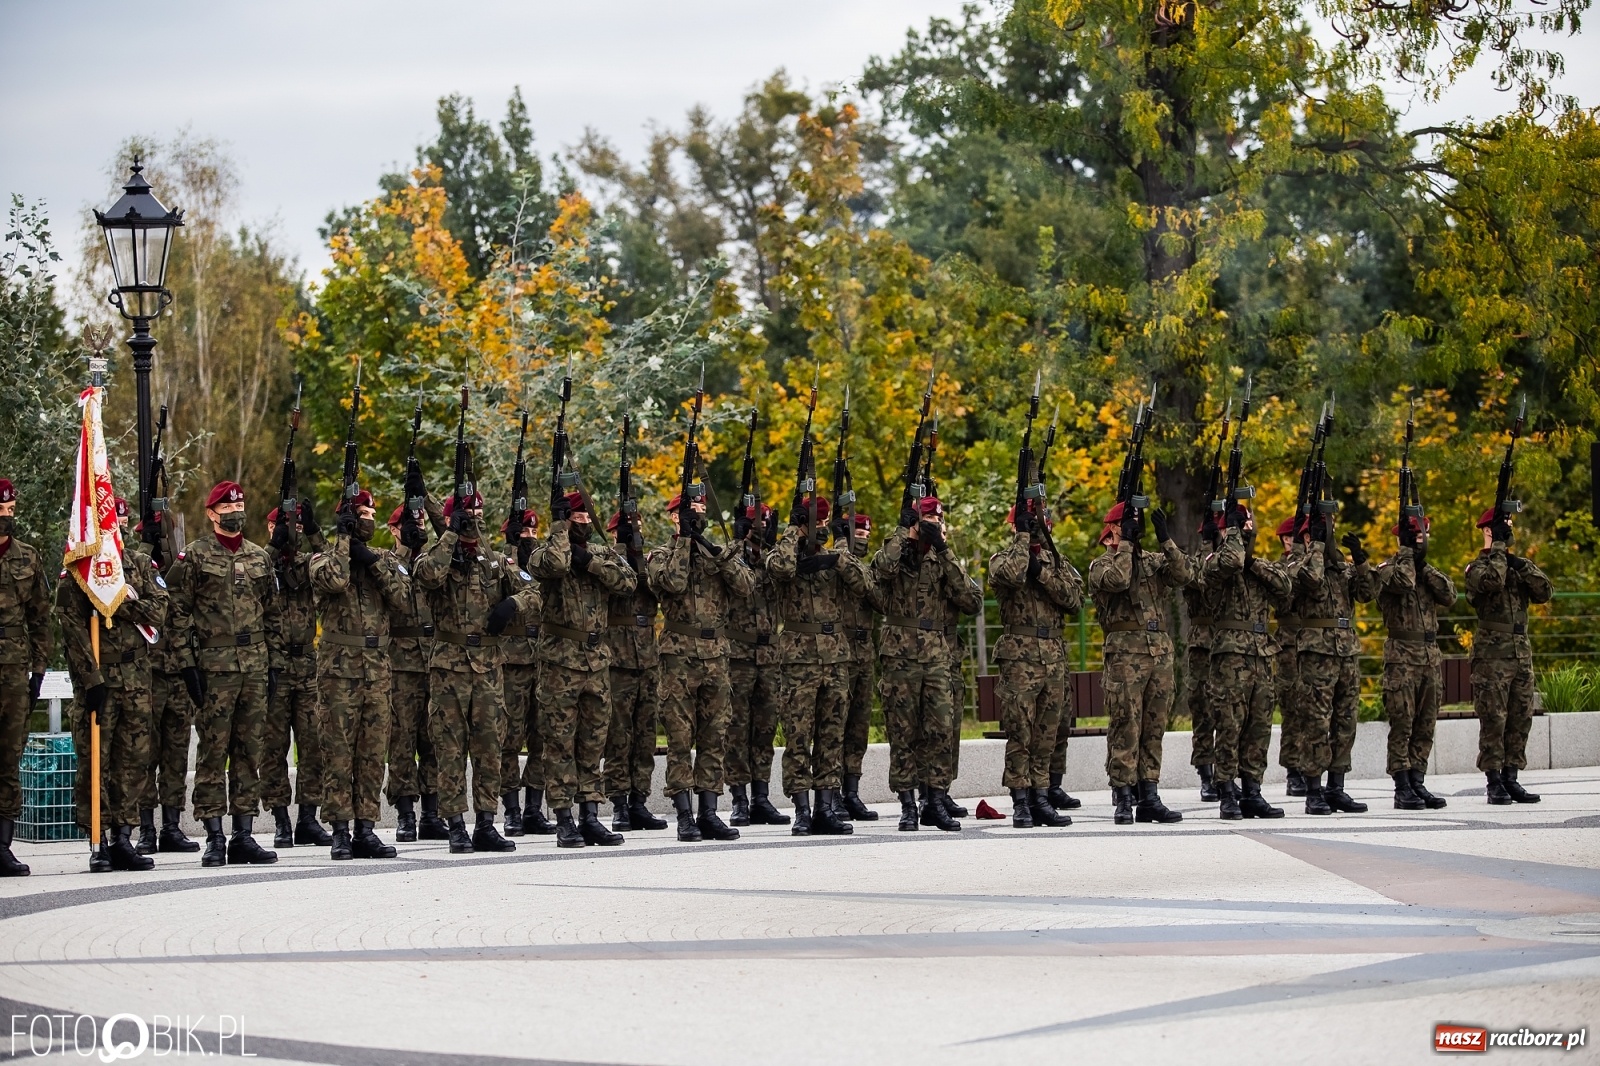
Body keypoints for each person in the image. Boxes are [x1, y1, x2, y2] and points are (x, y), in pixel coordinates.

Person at [165, 481, 285, 867]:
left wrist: (274, 665)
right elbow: (176, 614)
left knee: (250, 752)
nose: (237, 512)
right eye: (228, 507)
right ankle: (214, 836)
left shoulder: (259, 558)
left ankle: (244, 834)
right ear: (212, 513)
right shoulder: (194, 558)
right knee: (213, 753)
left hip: (254, 665)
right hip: (213, 668)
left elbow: (273, 614)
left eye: (242, 505)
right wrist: (186, 664)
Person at [412, 490, 528, 853]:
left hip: (489, 668)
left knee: (489, 747)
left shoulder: (492, 560)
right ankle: (456, 824)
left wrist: (513, 603)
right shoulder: (438, 555)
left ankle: (486, 822)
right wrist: (450, 534)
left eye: (479, 511)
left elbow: (535, 589)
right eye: (468, 513)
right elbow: (427, 575)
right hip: (450, 667)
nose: (475, 518)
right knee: (449, 748)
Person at [56, 528, 168, 872]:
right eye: (106, 521)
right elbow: (71, 626)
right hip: (98, 679)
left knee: (132, 762)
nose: (113, 527)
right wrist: (91, 680)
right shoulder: (78, 571)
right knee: (95, 762)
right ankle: (98, 840)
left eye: (118, 521)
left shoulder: (137, 564)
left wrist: (115, 600)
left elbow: (160, 609)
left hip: (135, 679)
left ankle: (123, 836)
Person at [528, 490, 636, 847]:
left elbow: (628, 583)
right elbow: (554, 566)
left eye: (588, 516)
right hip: (560, 663)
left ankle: (590, 814)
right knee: (559, 743)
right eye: (577, 516)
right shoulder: (545, 553)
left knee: (593, 742)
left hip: (596, 662)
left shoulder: (601, 553)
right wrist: (558, 530)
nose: (585, 521)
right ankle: (563, 818)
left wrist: (587, 560)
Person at [646, 492, 756, 842]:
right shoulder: (661, 556)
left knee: (715, 737)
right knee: (680, 740)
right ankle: (684, 815)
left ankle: (709, 812)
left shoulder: (716, 553)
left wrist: (709, 546)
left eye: (702, 510)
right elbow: (673, 583)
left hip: (716, 655)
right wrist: (684, 542)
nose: (698, 515)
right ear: (675, 518)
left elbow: (746, 586)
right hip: (679, 658)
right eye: (691, 512)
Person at [309, 490, 412, 859]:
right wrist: (341, 540)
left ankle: (366, 828)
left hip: (377, 669)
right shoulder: (323, 558)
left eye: (371, 513)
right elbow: (334, 582)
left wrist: (369, 560)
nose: (367, 519)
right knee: (338, 751)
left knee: (372, 752)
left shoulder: (382, 559)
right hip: (339, 671)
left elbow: (404, 599)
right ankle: (339, 829)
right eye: (360, 514)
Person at [871, 495, 981, 832]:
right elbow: (881, 570)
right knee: (903, 731)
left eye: (939, 518)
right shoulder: (896, 548)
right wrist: (905, 533)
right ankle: (907, 803)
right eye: (929, 518)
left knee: (940, 729)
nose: (936, 523)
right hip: (900, 653)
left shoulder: (942, 558)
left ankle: (935, 800)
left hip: (935, 653)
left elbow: (971, 600)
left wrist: (944, 550)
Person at [766, 496, 870, 835]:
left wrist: (838, 555)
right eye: (813, 523)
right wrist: (791, 532)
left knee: (831, 735)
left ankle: (826, 807)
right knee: (798, 736)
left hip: (836, 658)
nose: (818, 529)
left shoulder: (836, 559)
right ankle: (802, 809)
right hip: (798, 659)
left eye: (821, 523)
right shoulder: (787, 556)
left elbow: (866, 584)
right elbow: (778, 568)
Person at [1090, 502, 1191, 825]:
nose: (1132, 528)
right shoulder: (1101, 565)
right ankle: (1123, 794)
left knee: (1154, 726)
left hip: (1159, 653)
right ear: (1112, 531)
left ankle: (1149, 794)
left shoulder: (1152, 562)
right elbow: (1118, 580)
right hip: (1124, 654)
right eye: (1125, 524)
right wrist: (1127, 545)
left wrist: (1165, 540)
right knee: (1126, 724)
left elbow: (1183, 574)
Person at [988, 502, 1082, 828]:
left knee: (1046, 735)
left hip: (1053, 659)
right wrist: (1022, 543)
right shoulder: (1002, 560)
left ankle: (1042, 798)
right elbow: (1010, 577)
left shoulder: (1056, 564)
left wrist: (1041, 573)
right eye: (1028, 525)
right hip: (1020, 659)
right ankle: (1020, 802)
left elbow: (1074, 601)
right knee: (1020, 733)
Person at [1203, 504, 1291, 820]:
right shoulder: (1215, 563)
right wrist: (1232, 538)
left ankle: (1253, 791)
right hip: (1230, 656)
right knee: (1229, 725)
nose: (1246, 534)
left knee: (1259, 727)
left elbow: (1284, 587)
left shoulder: (1258, 567)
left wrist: (1253, 563)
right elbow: (1229, 562)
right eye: (1239, 529)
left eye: (1248, 529)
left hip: (1261, 655)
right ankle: (1226, 791)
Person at [1286, 514, 1376, 814]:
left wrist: (1360, 559)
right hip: (1317, 654)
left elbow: (1368, 593)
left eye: (1331, 528)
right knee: (1316, 722)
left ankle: (1336, 787)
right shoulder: (1300, 565)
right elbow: (1308, 579)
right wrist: (1315, 547)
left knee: (1346, 721)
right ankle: (1313, 789)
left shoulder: (1341, 569)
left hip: (1346, 652)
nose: (1331, 534)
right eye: (1324, 531)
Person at [1465, 508, 1552, 805]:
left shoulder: (1516, 566)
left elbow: (1544, 591)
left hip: (1520, 653)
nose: (1510, 531)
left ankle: (1512, 776)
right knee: (1494, 719)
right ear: (1489, 531)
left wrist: (1522, 565)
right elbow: (1493, 582)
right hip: (1492, 655)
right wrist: (1499, 551)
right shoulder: (1476, 567)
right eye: (1504, 528)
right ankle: (1493, 782)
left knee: (1520, 717)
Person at [260, 499, 332, 849]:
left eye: (295, 531)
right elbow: (255, 575)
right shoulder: (260, 561)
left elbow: (333, 569)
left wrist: (314, 532)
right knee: (273, 748)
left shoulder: (307, 564)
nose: (291, 537)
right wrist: (275, 548)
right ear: (270, 529)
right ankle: (280, 820)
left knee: (313, 745)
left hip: (306, 666)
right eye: (285, 530)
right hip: (273, 667)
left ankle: (308, 817)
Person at [129, 505, 200, 855]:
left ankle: (172, 825)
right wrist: (146, 550)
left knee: (176, 753)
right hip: (149, 672)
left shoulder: (183, 566)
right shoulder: (136, 566)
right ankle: (146, 828)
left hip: (180, 671)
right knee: (147, 753)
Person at [1374, 515, 1457, 810]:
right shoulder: (1388, 569)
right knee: (1403, 722)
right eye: (1417, 536)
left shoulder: (1425, 572)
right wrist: (1407, 557)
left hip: (1429, 656)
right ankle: (1402, 785)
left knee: (1426, 723)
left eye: (1425, 535)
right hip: (1401, 656)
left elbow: (1450, 595)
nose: (1423, 540)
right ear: (1402, 540)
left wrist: (1424, 565)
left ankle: (1418, 780)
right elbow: (1402, 583)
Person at [385, 502, 450, 842]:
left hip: (435, 660)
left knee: (434, 741)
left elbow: (450, 538)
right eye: (409, 524)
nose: (417, 528)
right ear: (393, 529)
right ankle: (406, 813)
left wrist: (428, 502)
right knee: (401, 741)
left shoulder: (434, 565)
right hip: (400, 664)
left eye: (422, 523)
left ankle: (432, 812)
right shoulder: (387, 563)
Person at [601, 508, 668, 832]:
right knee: (619, 736)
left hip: (648, 660)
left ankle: (639, 801)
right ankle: (618, 804)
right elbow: (619, 587)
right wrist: (623, 552)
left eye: (638, 528)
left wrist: (640, 554)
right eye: (629, 529)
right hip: (618, 661)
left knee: (644, 737)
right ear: (615, 533)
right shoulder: (608, 560)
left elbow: (655, 587)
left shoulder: (651, 559)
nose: (635, 533)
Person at [0, 479, 51, 876]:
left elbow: (40, 620)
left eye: (10, 510)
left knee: (8, 756)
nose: (6, 516)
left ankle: (2, 845)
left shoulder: (27, 558)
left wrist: (38, 671)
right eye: (1, 511)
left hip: (14, 670)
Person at [724, 503, 787, 827]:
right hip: (738, 655)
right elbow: (737, 581)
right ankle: (739, 798)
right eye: (755, 524)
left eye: (764, 523)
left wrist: (773, 545)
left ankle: (761, 797)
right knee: (736, 730)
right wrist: (737, 542)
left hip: (769, 657)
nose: (760, 528)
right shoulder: (729, 554)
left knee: (764, 730)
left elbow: (785, 574)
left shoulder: (774, 558)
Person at [497, 509, 541, 835]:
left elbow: (540, 596)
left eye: (532, 530)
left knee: (543, 738)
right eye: (522, 531)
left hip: (545, 662)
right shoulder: (500, 564)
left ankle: (534, 809)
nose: (528, 535)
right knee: (508, 740)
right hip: (511, 663)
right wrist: (511, 552)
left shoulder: (544, 564)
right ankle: (512, 809)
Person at [838, 512, 881, 820]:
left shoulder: (868, 569)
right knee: (832, 726)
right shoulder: (832, 561)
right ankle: (830, 793)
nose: (863, 541)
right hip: (836, 652)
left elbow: (877, 597)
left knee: (858, 727)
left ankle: (851, 792)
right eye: (859, 536)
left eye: (867, 537)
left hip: (863, 652)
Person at [1182, 514, 1220, 802]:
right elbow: (1195, 578)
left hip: (1233, 645)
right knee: (1204, 714)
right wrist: (1210, 546)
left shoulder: (1237, 560)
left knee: (1234, 716)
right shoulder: (1196, 562)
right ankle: (1207, 776)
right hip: (1203, 647)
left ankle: (1232, 774)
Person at [1273, 517, 1307, 798]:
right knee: (1293, 709)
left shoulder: (1318, 563)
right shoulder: (1280, 568)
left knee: (1318, 711)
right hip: (1290, 643)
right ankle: (1293, 770)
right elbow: (1284, 596)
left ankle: (1314, 767)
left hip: (1317, 642)